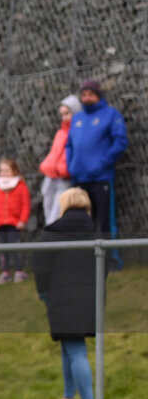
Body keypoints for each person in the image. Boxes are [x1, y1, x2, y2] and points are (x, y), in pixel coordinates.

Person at [33, 188, 98, 399]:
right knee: (69, 345)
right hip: (89, 295)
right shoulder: (97, 231)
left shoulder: (52, 233)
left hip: (61, 296)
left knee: (76, 349)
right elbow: (106, 265)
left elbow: (41, 266)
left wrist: (43, 292)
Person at [65, 79, 128, 270]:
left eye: (90, 94)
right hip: (79, 179)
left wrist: (101, 163)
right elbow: (69, 145)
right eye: (83, 95)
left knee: (106, 221)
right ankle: (87, 263)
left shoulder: (111, 115)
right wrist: (72, 165)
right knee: (82, 222)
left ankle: (112, 261)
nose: (87, 98)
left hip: (101, 178)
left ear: (98, 95)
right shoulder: (77, 118)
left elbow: (120, 142)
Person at [0, 158, 31, 285]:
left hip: (14, 224)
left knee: (13, 246)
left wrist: (23, 220)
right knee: (4, 248)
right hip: (0, 224)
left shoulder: (21, 186)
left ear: (14, 171)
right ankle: (5, 272)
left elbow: (25, 205)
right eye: (2, 170)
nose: (4, 173)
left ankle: (18, 271)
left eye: (7, 170)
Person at [39, 95, 82, 225]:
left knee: (57, 211)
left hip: (65, 176)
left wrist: (68, 170)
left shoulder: (78, 131)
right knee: (48, 207)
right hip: (51, 174)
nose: (64, 117)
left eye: (67, 113)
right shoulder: (60, 132)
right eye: (62, 114)